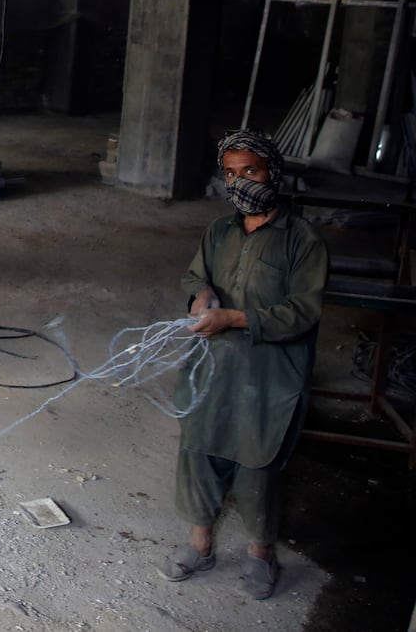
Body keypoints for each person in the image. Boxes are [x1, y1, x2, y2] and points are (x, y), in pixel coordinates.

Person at [157, 129, 327, 600]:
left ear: (273, 172)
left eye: (250, 171)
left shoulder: (303, 241)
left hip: (269, 372)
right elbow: (197, 275)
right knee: (199, 450)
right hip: (212, 363)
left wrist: (235, 317)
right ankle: (201, 544)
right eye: (230, 173)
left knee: (257, 461)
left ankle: (259, 553)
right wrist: (203, 297)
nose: (240, 182)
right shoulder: (219, 231)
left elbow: (302, 311)